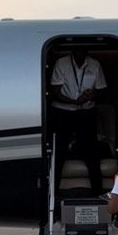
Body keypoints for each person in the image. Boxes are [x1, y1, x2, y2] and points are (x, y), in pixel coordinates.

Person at [49, 47, 107, 194]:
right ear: (72, 52)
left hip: (86, 112)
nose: (80, 54)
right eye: (77, 51)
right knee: (59, 152)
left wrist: (91, 95)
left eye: (83, 51)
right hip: (63, 112)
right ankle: (53, 193)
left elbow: (101, 90)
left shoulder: (95, 65)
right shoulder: (61, 63)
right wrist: (75, 101)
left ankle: (98, 194)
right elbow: (55, 91)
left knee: (92, 153)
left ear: (87, 52)